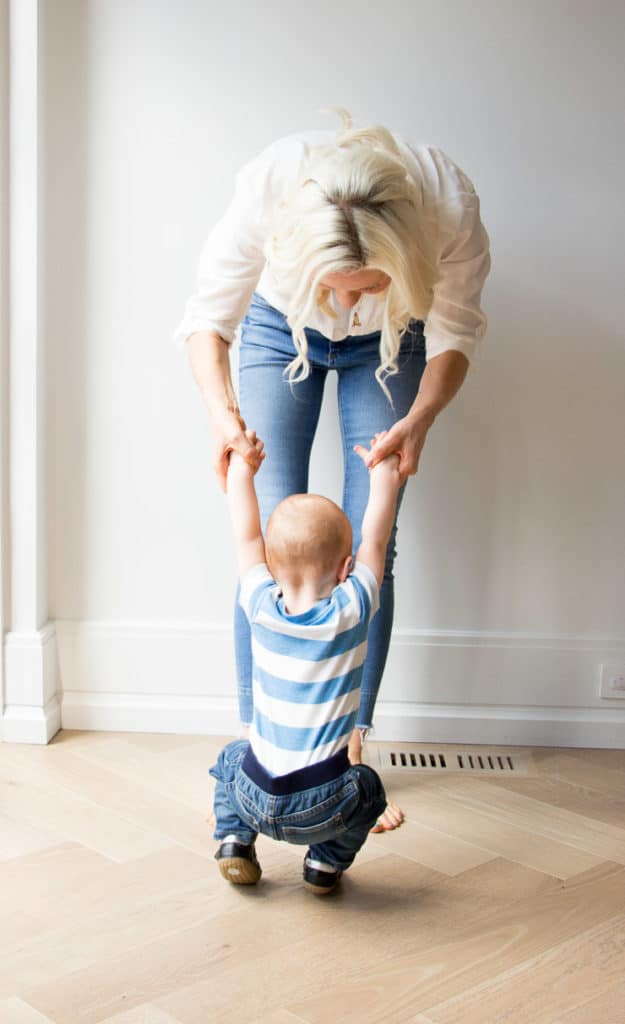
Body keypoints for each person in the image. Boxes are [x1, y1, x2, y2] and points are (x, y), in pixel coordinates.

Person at [175, 111, 490, 830]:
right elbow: (210, 316)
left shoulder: (449, 209)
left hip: (396, 336)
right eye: (335, 286)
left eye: (362, 284)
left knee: (369, 552)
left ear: (405, 253)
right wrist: (224, 414)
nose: (345, 303)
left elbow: (457, 326)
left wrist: (420, 419)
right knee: (276, 544)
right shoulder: (270, 185)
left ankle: (340, 763)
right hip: (273, 323)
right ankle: (266, 757)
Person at [210, 432, 401, 894]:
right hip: (323, 806)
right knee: (369, 787)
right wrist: (383, 476)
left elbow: (247, 534)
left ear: (271, 569)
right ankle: (325, 862)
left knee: (231, 755)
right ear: (344, 569)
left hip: (254, 793)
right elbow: (377, 539)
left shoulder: (258, 604)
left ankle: (235, 837)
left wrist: (241, 468)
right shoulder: (352, 610)